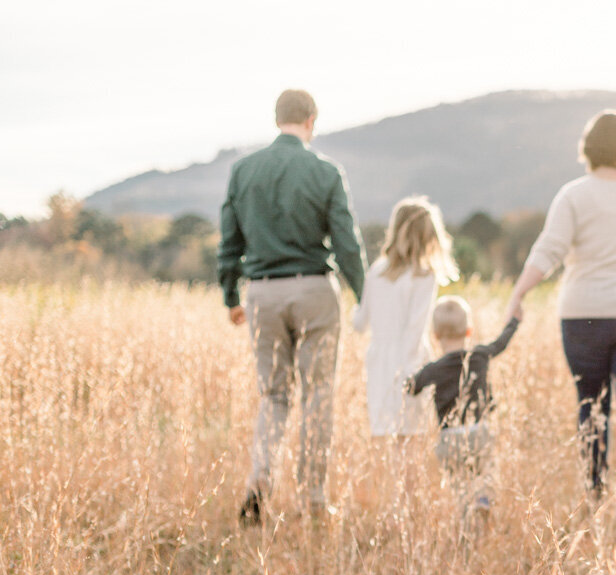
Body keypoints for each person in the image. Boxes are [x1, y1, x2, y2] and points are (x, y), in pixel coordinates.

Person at [505, 109, 616, 520]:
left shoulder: (573, 194)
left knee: (591, 406)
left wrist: (519, 292)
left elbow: (549, 250)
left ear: (588, 148)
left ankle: (595, 500)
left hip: (584, 314)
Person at [218, 89, 367, 526]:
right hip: (315, 291)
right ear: (311, 120)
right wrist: (364, 293)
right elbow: (346, 242)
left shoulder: (243, 171)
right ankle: (313, 500)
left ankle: (260, 483)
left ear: (276, 118)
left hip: (262, 293)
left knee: (274, 395)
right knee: (318, 394)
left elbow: (229, 241)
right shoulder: (325, 172)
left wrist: (230, 295)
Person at [406, 296, 520, 531]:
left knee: (459, 485)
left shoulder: (434, 369)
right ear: (468, 331)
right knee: (486, 470)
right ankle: (483, 499)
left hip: (449, 438)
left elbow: (412, 387)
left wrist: (405, 376)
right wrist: (514, 321)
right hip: (479, 430)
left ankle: (467, 517)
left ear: (435, 335)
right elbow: (501, 342)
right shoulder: (478, 355)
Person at [352, 196, 458, 442]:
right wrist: (414, 377)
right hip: (409, 364)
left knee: (385, 440)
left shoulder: (377, 270)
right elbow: (415, 329)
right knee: (410, 441)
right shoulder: (423, 275)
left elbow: (359, 323)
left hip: (378, 363)